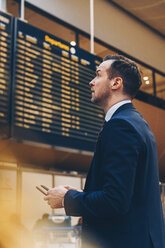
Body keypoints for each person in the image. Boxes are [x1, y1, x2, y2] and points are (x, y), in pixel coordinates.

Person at [44, 55, 165, 248]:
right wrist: (84, 194)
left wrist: (67, 199)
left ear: (116, 82)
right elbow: (127, 194)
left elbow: (115, 201)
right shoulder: (137, 123)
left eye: (98, 75)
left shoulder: (120, 126)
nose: (91, 82)